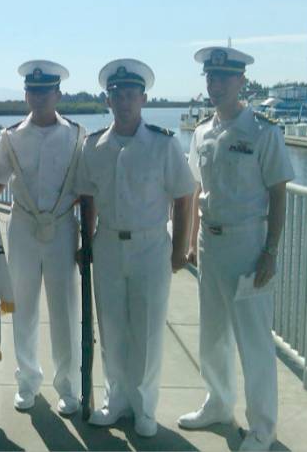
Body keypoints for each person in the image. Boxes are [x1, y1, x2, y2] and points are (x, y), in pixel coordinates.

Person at [178, 47, 294, 451]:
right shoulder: (202, 132)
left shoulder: (264, 132)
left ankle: (262, 428)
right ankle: (218, 403)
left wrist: (271, 252)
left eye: (224, 78)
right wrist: (191, 239)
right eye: (210, 78)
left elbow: (278, 194)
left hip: (248, 244)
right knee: (212, 335)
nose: (215, 85)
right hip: (211, 244)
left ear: (241, 81)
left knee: (254, 342)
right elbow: (196, 189)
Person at [78, 59, 194, 437]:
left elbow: (184, 196)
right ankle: (117, 399)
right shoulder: (93, 146)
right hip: (108, 244)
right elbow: (86, 198)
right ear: (106, 100)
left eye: (130, 94)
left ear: (143, 98)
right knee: (111, 327)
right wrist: (86, 243)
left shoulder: (163, 144)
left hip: (150, 246)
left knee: (146, 330)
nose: (123, 101)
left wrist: (180, 250)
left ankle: (144, 406)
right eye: (116, 94)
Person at [0, 60, 86, 415]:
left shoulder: (76, 135)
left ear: (58, 94)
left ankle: (68, 386)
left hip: (62, 227)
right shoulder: (11, 136)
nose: (38, 97)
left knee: (64, 309)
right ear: (26, 94)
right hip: (23, 228)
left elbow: (86, 187)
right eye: (32, 91)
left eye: (45, 91)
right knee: (24, 307)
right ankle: (27, 381)